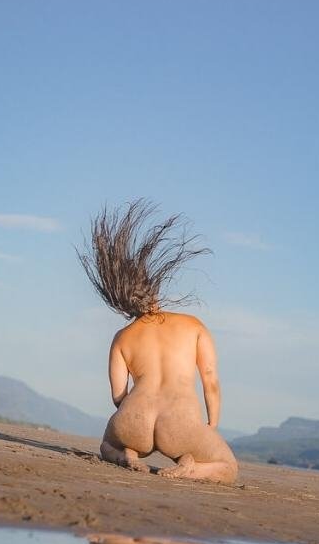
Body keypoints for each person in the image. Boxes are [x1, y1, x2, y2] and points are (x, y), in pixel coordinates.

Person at [77, 199, 238, 483]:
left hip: (134, 419)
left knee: (107, 445)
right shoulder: (193, 326)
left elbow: (118, 396)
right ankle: (191, 467)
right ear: (154, 291)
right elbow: (210, 379)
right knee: (227, 466)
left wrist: (134, 419)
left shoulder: (122, 337)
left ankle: (125, 455)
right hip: (180, 421)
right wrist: (210, 425)